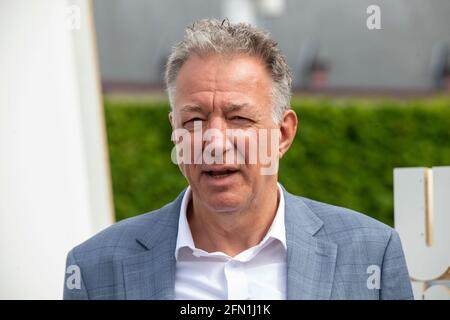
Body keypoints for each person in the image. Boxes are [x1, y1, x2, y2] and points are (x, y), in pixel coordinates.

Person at [63, 19, 413, 300]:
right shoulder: (95, 268)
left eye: (239, 118)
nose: (214, 141)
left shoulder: (371, 253)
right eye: (194, 120)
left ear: (283, 134)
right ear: (175, 130)